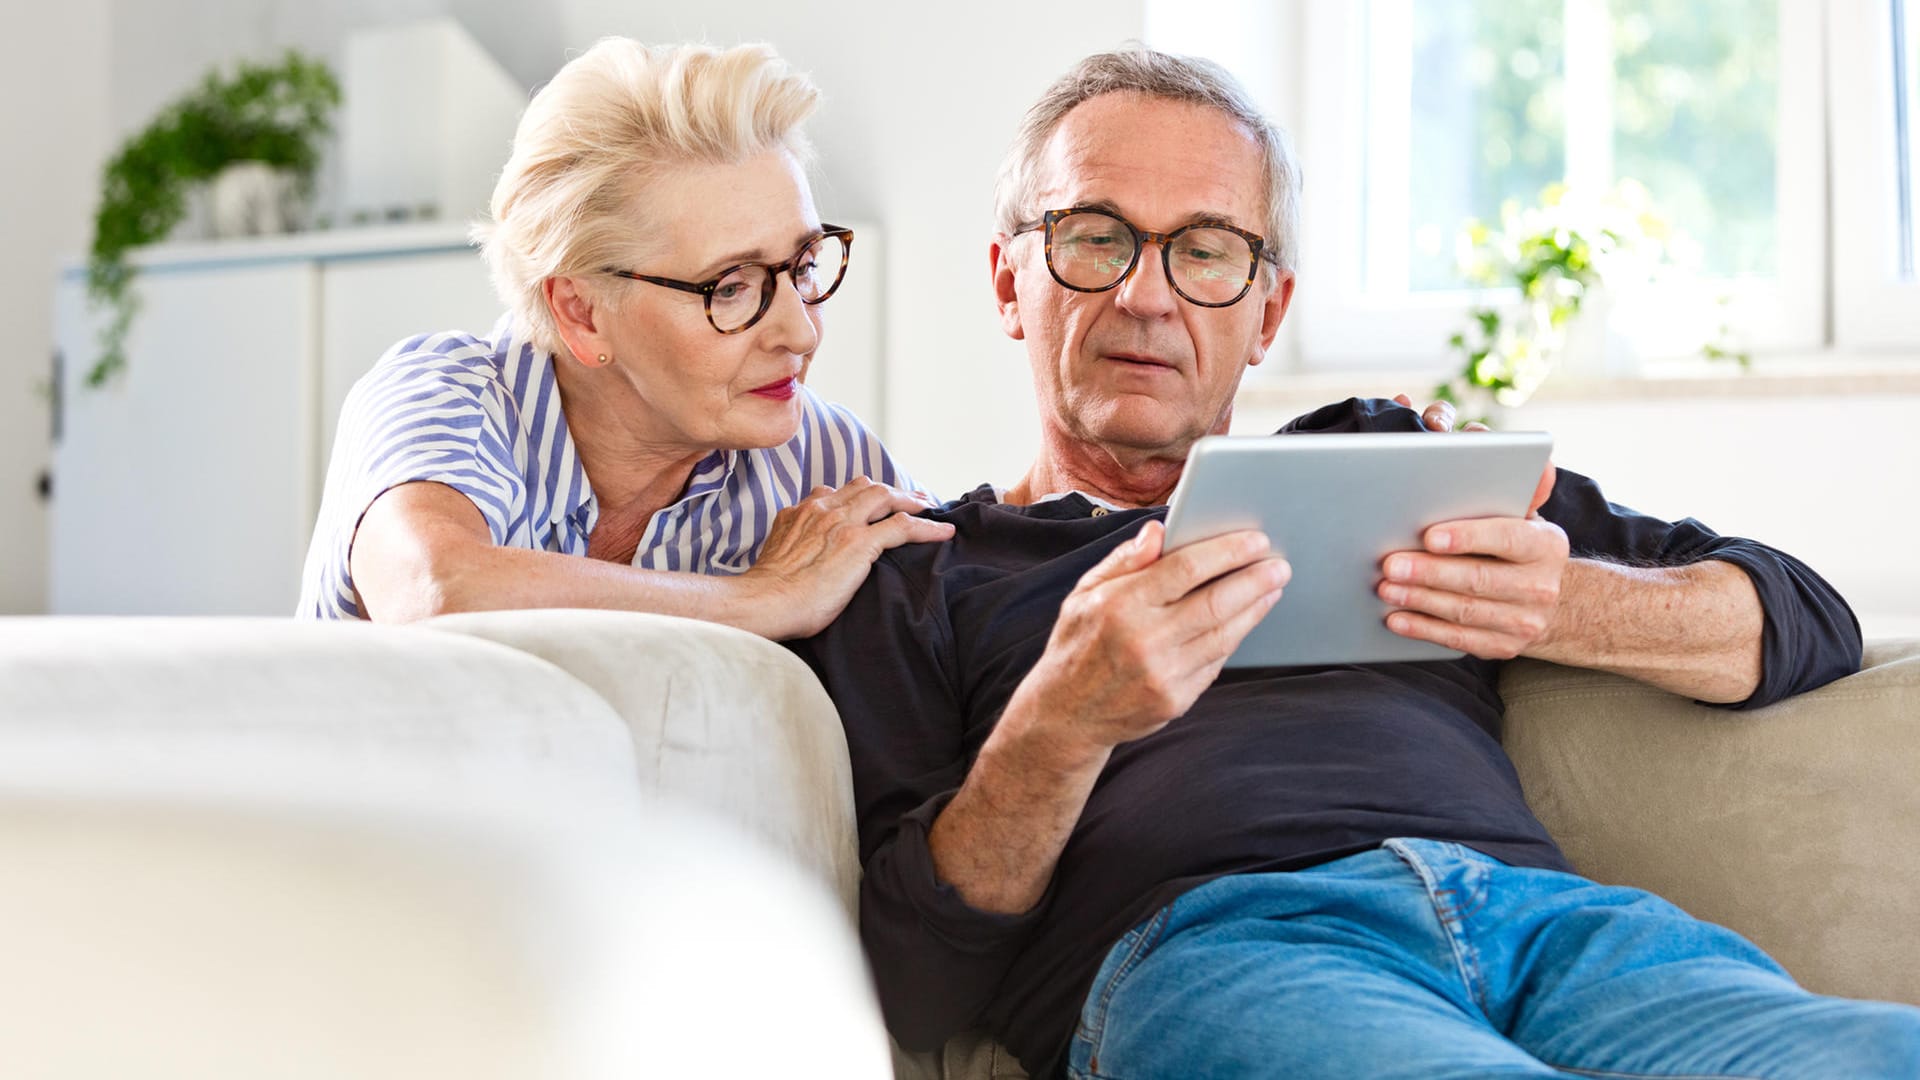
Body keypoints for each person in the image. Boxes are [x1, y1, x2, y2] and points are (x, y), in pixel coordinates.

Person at [788, 48, 1920, 1079]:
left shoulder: (1388, 457)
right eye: (1095, 236)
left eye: (1206, 252)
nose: (1146, 295)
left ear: (1267, 310)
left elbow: (1808, 622)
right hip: (1224, 955)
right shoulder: (917, 571)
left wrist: (1562, 603)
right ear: (1007, 281)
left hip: (1548, 926)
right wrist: (1062, 723)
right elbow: (918, 981)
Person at [297, 38, 952, 636]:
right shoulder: (442, 397)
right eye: (729, 287)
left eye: (804, 267)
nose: (800, 330)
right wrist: (764, 600)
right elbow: (436, 591)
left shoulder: (826, 462)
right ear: (581, 312)